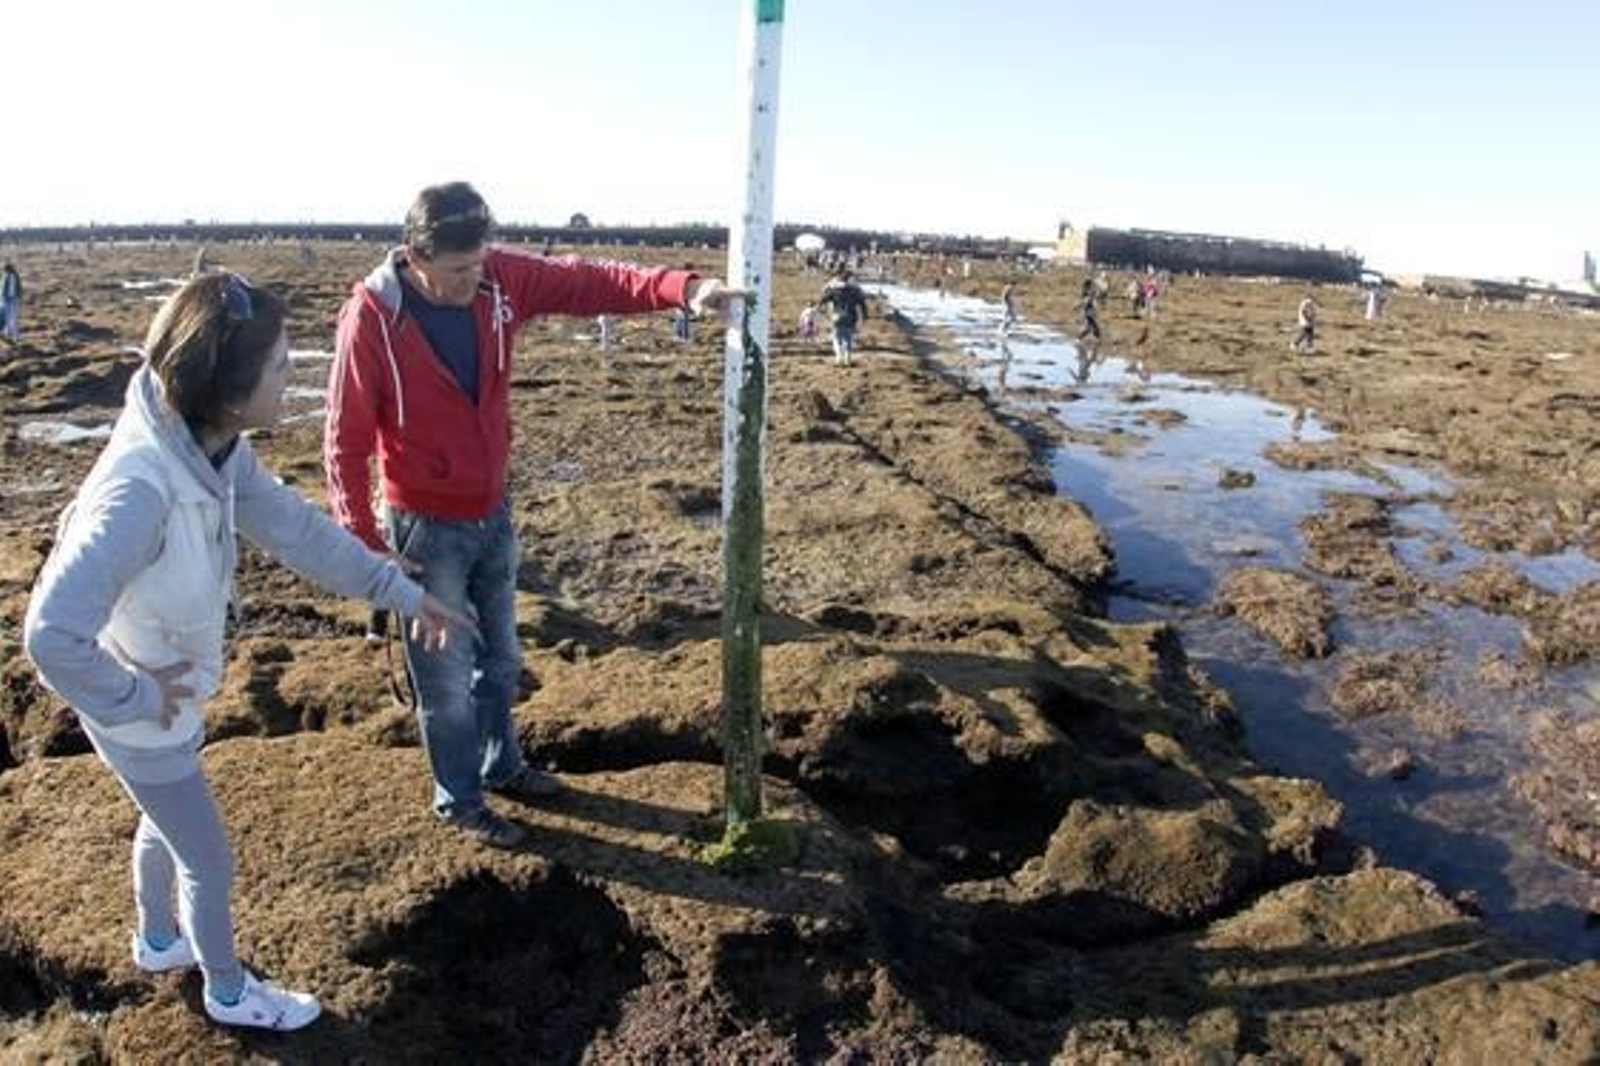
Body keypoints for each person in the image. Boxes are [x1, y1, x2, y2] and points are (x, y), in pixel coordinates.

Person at [24, 274, 470, 1032]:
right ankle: (229, 994)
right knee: (209, 860)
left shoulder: (213, 448)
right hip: (139, 706)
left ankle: (159, 940)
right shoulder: (144, 490)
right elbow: (49, 633)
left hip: (162, 685)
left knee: (163, 819)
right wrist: (136, 697)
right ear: (231, 393)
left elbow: (296, 532)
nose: (292, 375)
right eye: (280, 368)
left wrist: (395, 589)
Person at [324, 181, 741, 849]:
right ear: (415, 256)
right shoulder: (371, 315)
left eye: (479, 265)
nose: (472, 282)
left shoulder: (500, 281)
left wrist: (681, 289)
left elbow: (587, 282)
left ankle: (504, 765)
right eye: (458, 271)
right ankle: (459, 800)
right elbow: (343, 438)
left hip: (493, 510)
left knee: (503, 659)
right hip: (424, 530)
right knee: (445, 682)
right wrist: (365, 544)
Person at [817, 268, 869, 366]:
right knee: (848, 338)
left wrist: (820, 309)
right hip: (851, 317)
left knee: (837, 338)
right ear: (849, 279)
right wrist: (865, 316)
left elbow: (823, 299)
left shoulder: (834, 290)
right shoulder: (855, 291)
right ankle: (847, 358)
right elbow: (862, 304)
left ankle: (839, 357)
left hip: (837, 317)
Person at [2, 262, 22, 345]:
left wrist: (18, 296)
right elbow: (2, 288)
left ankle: (14, 336)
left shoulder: (15, 276)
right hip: (7, 299)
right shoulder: (6, 276)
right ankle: (8, 334)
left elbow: (19, 287)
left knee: (13, 317)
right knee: (7, 317)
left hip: (12, 299)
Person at [1078, 276, 1103, 344]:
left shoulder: (1090, 291)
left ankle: (1081, 338)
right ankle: (1096, 338)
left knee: (1091, 325)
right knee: (1092, 325)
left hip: (1090, 309)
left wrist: (1079, 305)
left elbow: (1087, 300)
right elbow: (1086, 300)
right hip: (1090, 310)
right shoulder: (1088, 291)